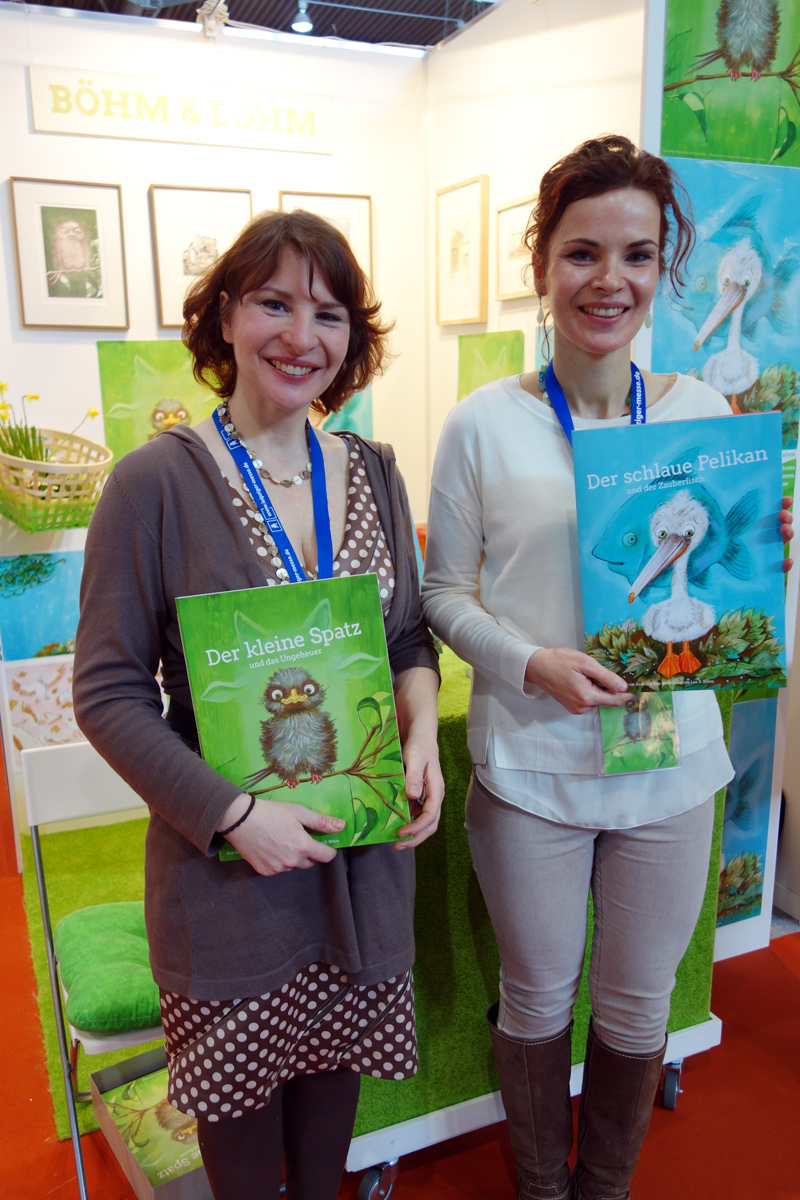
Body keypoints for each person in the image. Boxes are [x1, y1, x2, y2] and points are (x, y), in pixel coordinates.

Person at [421, 135, 793, 1200]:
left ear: (663, 267)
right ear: (541, 262)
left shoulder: (705, 416)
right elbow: (443, 594)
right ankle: (543, 1186)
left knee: (636, 1007)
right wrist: (528, 661)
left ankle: (604, 1186)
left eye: (636, 255)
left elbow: (723, 575)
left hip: (669, 771)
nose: (608, 280)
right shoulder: (483, 425)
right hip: (533, 766)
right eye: (581, 252)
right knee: (537, 998)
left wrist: (759, 558)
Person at [73, 210, 444, 1200]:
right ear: (228, 316)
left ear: (352, 339)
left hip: (360, 863)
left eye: (329, 314)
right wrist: (235, 815)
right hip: (229, 880)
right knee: (238, 1134)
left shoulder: (373, 471)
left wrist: (421, 736)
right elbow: (106, 692)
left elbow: (407, 638)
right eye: (275, 304)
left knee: (330, 1104)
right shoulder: (152, 485)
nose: (301, 336)